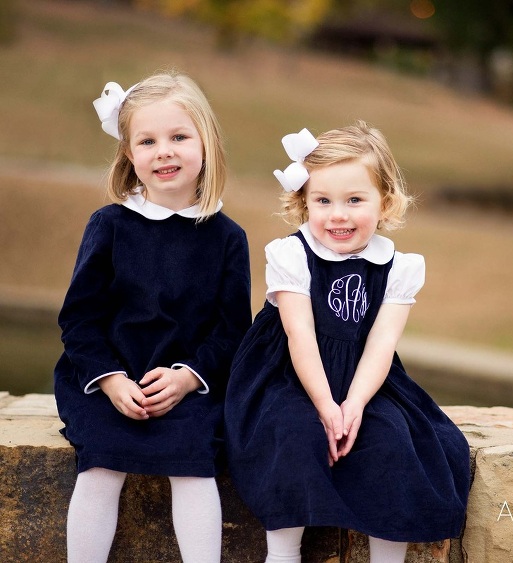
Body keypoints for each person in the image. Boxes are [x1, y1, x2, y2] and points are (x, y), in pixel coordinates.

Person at [225, 121, 470, 563]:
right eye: (322, 201)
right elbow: (299, 335)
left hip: (364, 376)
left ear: (386, 202)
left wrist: (352, 406)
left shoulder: (397, 267)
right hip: (288, 373)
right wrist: (324, 404)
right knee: (293, 434)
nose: (337, 215)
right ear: (303, 202)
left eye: (355, 200)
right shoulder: (292, 255)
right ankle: (282, 554)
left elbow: (381, 342)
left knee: (396, 439)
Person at [54, 71, 252, 562]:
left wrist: (189, 378)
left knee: (193, 464)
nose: (163, 151)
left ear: (206, 144)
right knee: (100, 467)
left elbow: (232, 331)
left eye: (179, 137)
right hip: (108, 378)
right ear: (129, 154)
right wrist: (110, 380)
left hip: (187, 382)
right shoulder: (110, 225)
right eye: (147, 141)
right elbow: (79, 320)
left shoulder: (227, 237)